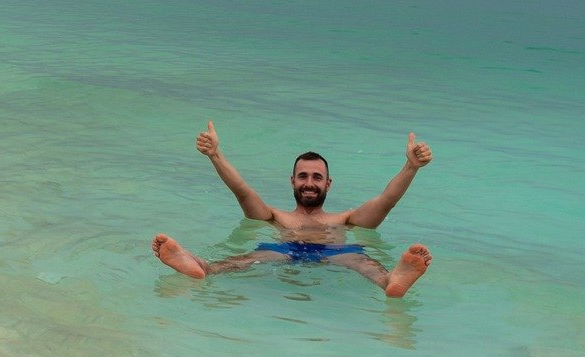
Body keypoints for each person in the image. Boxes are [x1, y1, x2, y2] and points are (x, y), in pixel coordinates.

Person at [152, 123, 434, 298]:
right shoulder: (276, 217)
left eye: (316, 177)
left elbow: (386, 200)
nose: (309, 183)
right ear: (292, 181)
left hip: (336, 255)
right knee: (249, 258)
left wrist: (411, 167)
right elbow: (242, 190)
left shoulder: (346, 219)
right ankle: (201, 267)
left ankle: (391, 281)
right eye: (303, 176)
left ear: (328, 184)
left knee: (361, 260)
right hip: (283, 252)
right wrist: (216, 155)